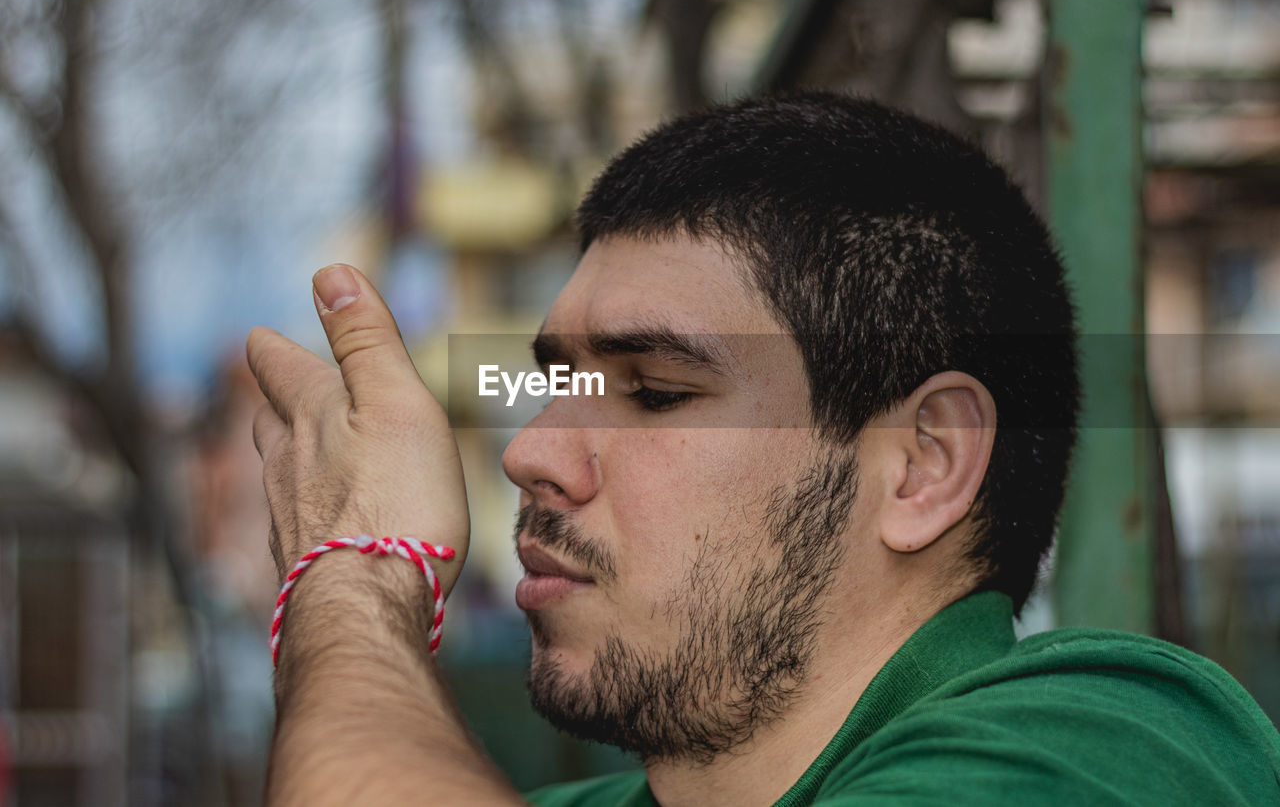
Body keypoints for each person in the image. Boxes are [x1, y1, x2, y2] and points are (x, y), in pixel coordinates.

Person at [246, 93, 1280, 806]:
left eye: (653, 390)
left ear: (924, 463)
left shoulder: (1111, 747)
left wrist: (351, 576)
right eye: (556, 384)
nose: (532, 453)